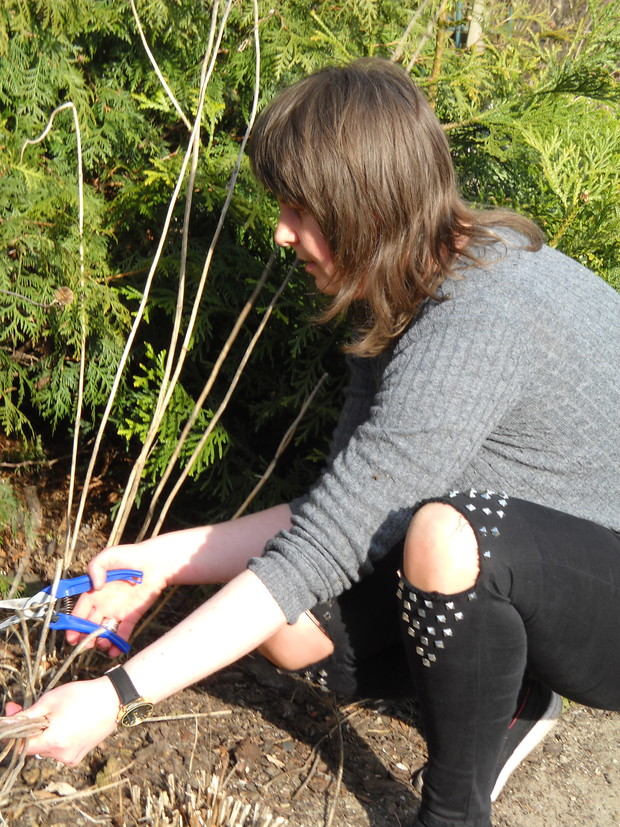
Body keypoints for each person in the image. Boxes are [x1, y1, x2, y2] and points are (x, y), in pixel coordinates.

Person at [5, 58, 620, 827]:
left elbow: (328, 544)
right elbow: (343, 513)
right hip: (549, 561)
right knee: (291, 633)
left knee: (451, 537)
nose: (280, 230)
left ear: (364, 204)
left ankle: (454, 810)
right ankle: (514, 690)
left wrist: (116, 696)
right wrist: (160, 558)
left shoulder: (476, 323)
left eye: (299, 208)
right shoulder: (408, 283)